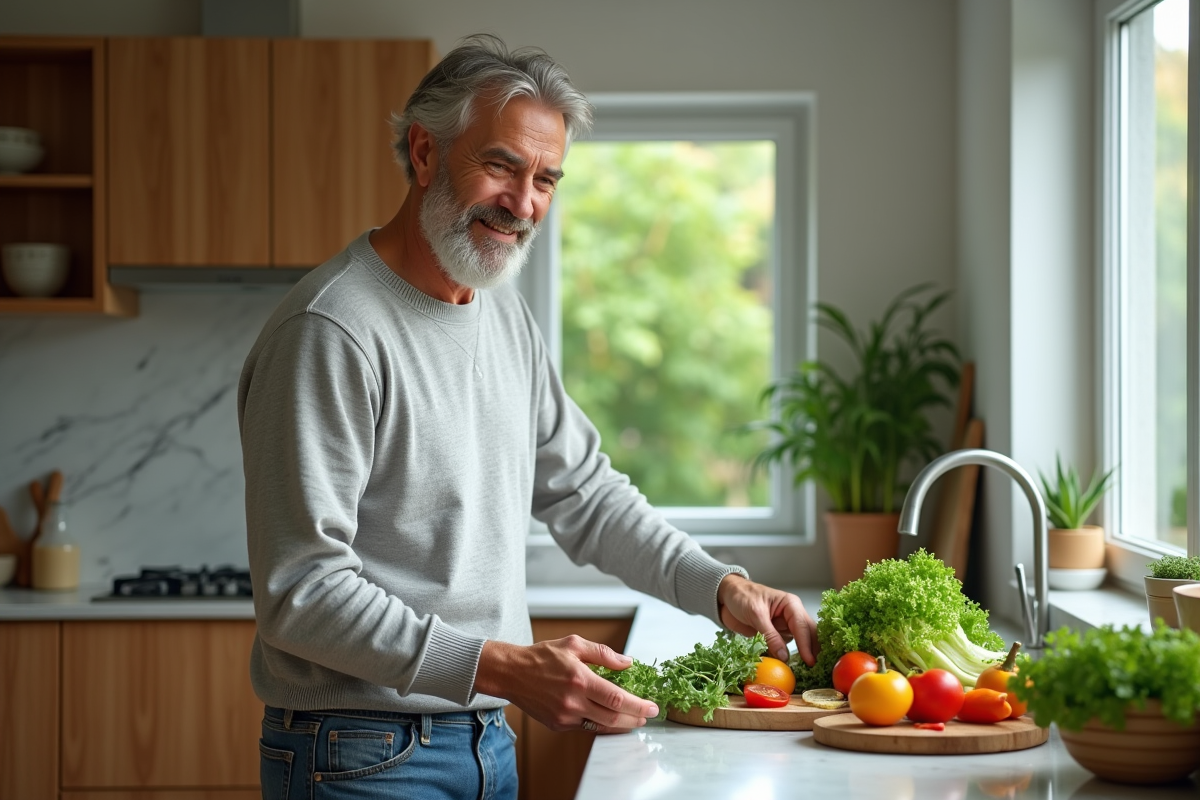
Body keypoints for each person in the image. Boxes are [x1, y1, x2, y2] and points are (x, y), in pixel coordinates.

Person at [238, 33, 818, 800]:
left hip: (485, 739)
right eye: (501, 166)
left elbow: (586, 493)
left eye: (545, 178)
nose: (523, 203)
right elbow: (303, 592)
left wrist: (719, 587)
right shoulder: (332, 330)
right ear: (424, 153)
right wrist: (506, 667)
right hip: (358, 753)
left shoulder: (502, 315)